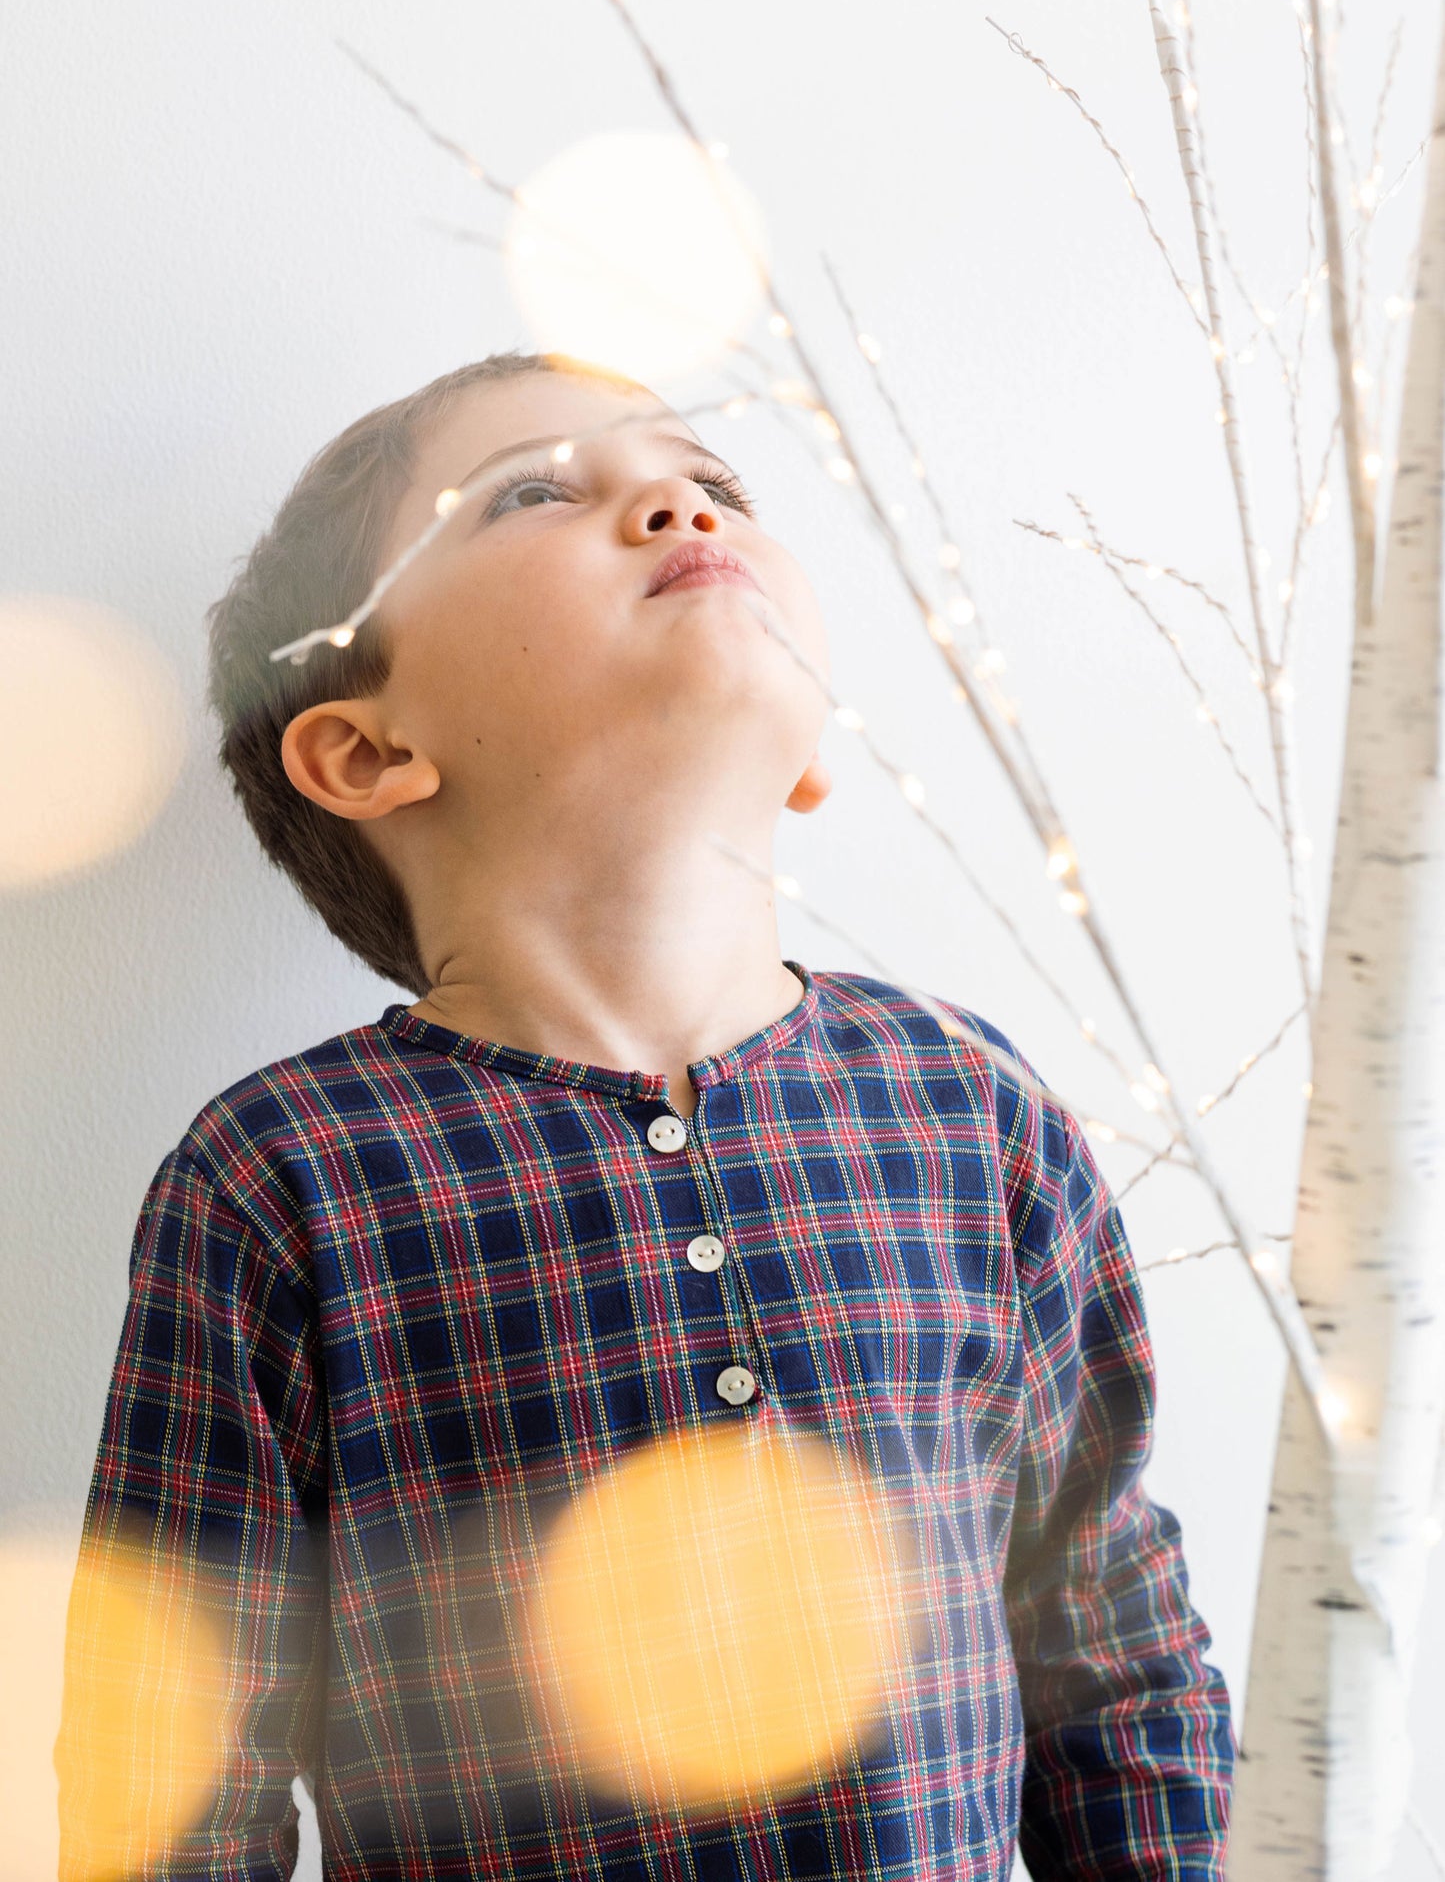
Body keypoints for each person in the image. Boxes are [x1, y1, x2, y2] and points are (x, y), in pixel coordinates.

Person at [55, 348, 1234, 1880]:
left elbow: (1115, 1664)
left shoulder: (973, 1109)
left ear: (806, 753)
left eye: (714, 484)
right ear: (366, 745)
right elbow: (170, 1756)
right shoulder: (282, 1177)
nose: (676, 503)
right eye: (533, 491)